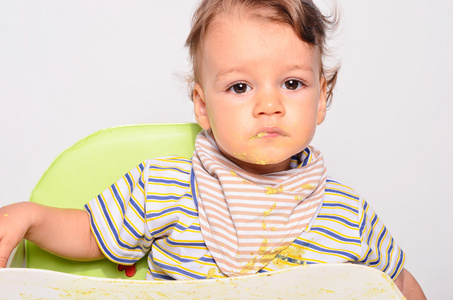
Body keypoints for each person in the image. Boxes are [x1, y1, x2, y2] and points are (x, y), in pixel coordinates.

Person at [0, 0, 425, 298]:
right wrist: (31, 218)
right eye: (240, 87)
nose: (270, 105)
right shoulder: (164, 188)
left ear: (321, 99)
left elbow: (398, 286)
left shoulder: (349, 214)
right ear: (202, 106)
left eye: (292, 83)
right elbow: (93, 233)